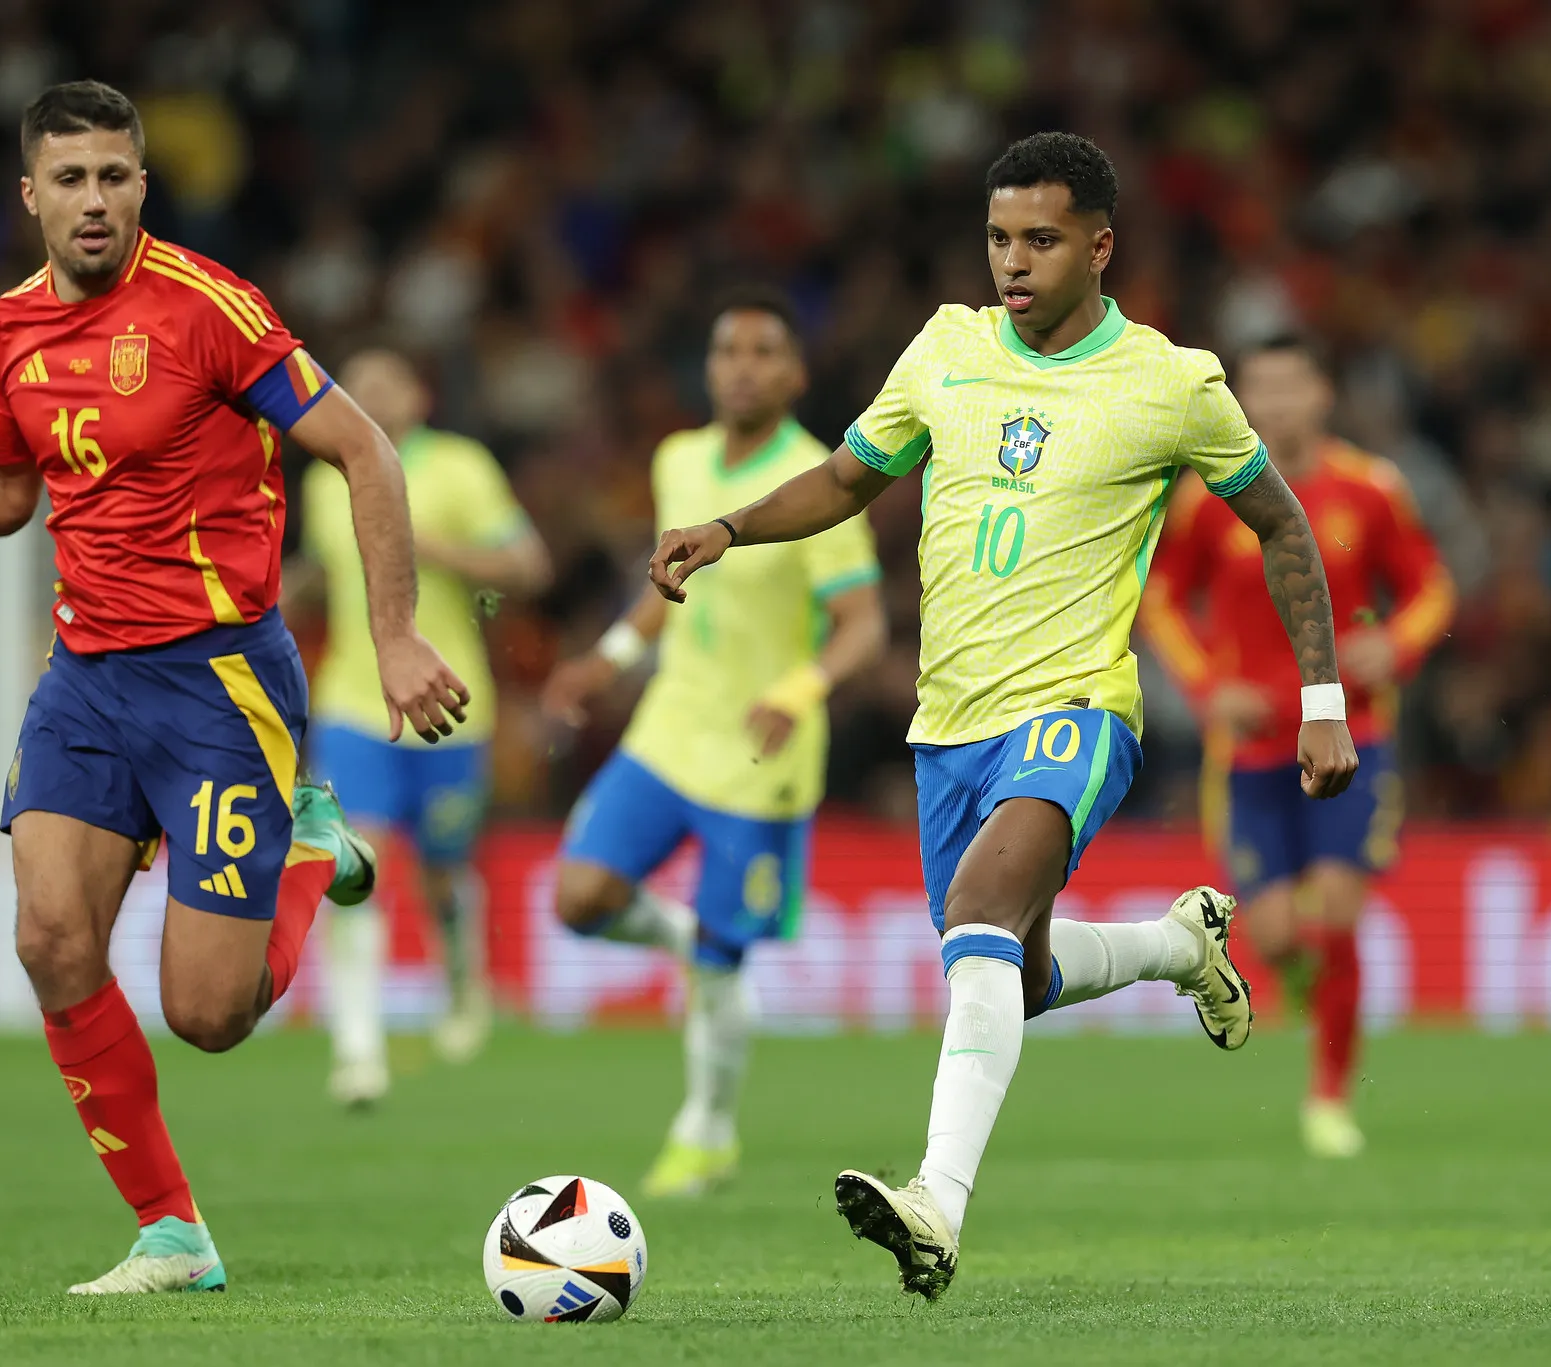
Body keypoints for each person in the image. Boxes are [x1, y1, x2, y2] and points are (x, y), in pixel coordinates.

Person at [647, 133, 1358, 1298]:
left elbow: (1280, 523)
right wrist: (726, 528)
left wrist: (1319, 701)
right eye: (996, 238)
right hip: (949, 723)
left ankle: (935, 1201)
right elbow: (843, 479)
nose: (1011, 263)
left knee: (979, 909)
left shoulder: (1172, 382)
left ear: (1098, 245)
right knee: (1007, 969)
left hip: (1077, 706)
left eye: (1038, 240)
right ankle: (1181, 946)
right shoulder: (944, 348)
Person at [0, 81, 467, 1295]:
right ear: (30, 196)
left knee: (210, 1015)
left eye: (114, 175)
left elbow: (362, 447)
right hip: (87, 678)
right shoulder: (12, 328)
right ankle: (173, 1229)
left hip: (219, 682)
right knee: (51, 939)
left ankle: (311, 845)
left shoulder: (211, 309)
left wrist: (395, 633)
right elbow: (6, 493)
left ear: (142, 185)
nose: (93, 199)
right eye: (70, 179)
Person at [543, 288, 887, 1199]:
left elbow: (863, 625)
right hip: (671, 725)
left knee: (724, 959)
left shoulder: (821, 479)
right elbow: (667, 590)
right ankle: (682, 938)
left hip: (760, 757)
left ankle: (705, 1131)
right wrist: (607, 657)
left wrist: (799, 687)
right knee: (578, 896)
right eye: (727, 349)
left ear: (795, 373)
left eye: (763, 350)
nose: (741, 365)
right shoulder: (679, 459)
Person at [1141, 335, 1453, 1159]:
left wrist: (1396, 647)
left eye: (1290, 384)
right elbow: (1164, 600)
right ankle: (1318, 999)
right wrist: (1211, 687)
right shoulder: (1210, 494)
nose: (1274, 402)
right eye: (1260, 388)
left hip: (1356, 734)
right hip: (1248, 750)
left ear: (1322, 393)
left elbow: (1430, 587)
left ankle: (1328, 1095)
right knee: (1276, 935)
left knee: (1340, 911)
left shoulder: (1370, 488)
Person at [300, 348, 550, 1104]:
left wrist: (427, 544)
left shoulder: (460, 467)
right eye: (357, 383)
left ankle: (464, 982)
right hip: (352, 702)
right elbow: (323, 574)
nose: (369, 394)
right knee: (351, 866)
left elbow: (528, 567)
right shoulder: (322, 476)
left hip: (447, 705)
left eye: (386, 382)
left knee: (443, 867)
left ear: (420, 393)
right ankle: (357, 1047)